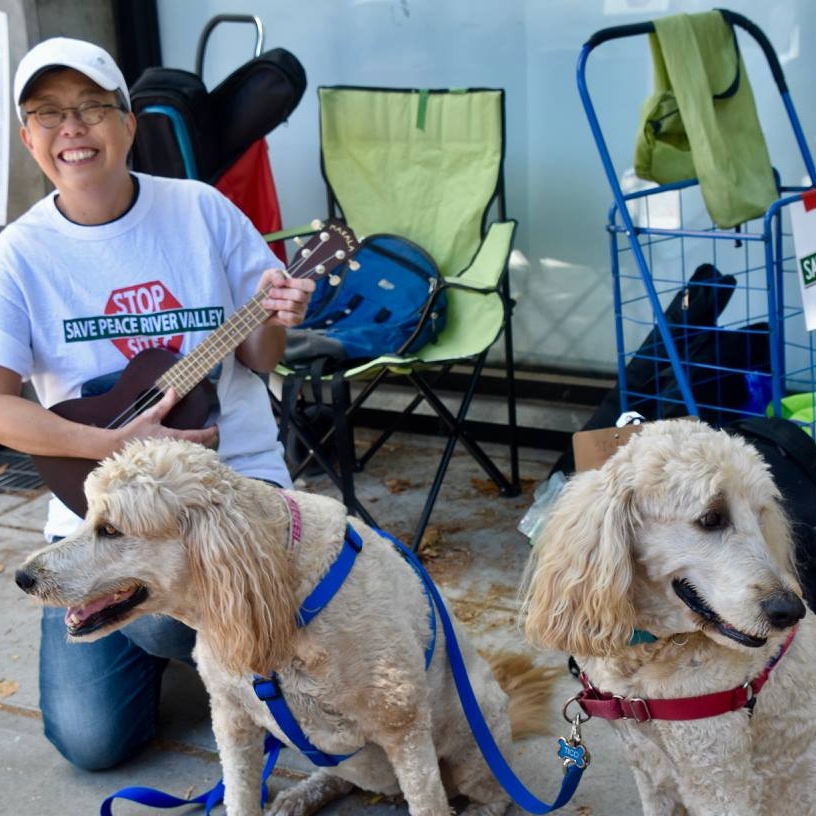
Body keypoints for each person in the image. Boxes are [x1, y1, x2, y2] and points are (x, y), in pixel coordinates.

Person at [0, 37, 315, 771]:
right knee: (91, 744)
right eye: (49, 114)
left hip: (229, 480)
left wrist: (275, 320)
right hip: (94, 503)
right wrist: (100, 447)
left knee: (181, 605)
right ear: (27, 137)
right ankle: (194, 642)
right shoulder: (17, 253)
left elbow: (259, 360)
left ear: (129, 124)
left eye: (92, 108)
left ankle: (195, 638)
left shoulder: (201, 211)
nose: (72, 129)